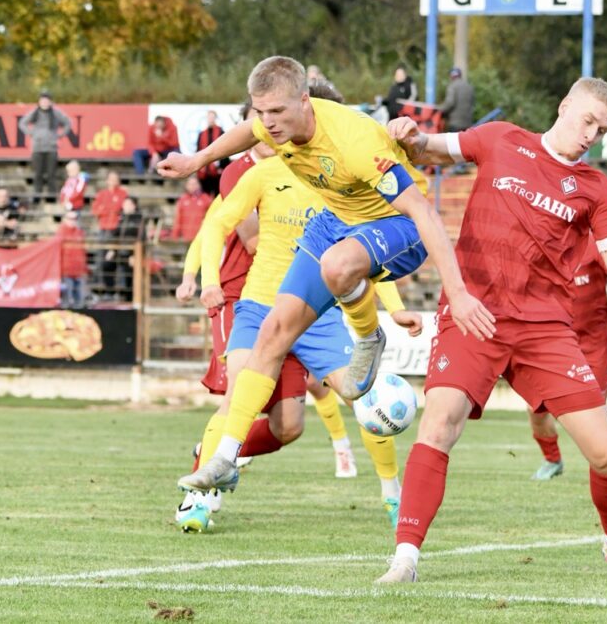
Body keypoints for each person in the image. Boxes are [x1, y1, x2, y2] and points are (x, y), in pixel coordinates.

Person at [377, 77, 607, 584]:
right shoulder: (500, 138)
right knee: (438, 424)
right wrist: (408, 133)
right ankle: (405, 559)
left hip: (544, 327)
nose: (592, 134)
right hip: (473, 312)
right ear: (564, 105)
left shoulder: (594, 188)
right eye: (587, 120)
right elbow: (429, 150)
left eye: (602, 129)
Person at [157, 55, 492, 495]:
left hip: (397, 226)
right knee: (273, 332)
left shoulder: (353, 140)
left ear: (304, 101)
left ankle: (370, 336)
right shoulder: (271, 126)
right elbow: (245, 133)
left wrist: (459, 293)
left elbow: (424, 214)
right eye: (261, 111)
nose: (268, 123)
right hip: (336, 222)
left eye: (277, 112)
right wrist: (196, 160)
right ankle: (225, 458)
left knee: (337, 264)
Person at [175, 87, 423, 530]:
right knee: (236, 400)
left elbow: (364, 255)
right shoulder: (264, 173)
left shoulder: (346, 175)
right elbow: (216, 223)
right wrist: (204, 279)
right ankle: (201, 493)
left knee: (321, 412)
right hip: (260, 304)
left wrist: (396, 306)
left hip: (320, 314)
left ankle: (392, 493)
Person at [530, 235, 607, 481]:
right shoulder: (543, 241)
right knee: (536, 410)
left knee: (595, 410)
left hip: (594, 341)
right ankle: (552, 460)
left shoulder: (594, 245)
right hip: (553, 339)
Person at [18, 91, 72, 201]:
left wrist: (60, 135)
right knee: (38, 174)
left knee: (51, 174)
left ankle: (51, 197)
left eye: (47, 100)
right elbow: (22, 123)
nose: (44, 103)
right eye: (42, 100)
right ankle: (37, 196)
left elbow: (68, 123)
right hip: (37, 148)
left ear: (50, 102)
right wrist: (31, 133)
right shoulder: (34, 113)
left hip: (51, 148)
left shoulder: (56, 113)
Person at [91, 172, 128, 298]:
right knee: (102, 260)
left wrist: (107, 209)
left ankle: (122, 291)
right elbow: (95, 210)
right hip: (104, 230)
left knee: (120, 260)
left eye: (115, 179)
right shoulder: (102, 194)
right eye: (111, 179)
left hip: (117, 231)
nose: (113, 181)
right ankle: (106, 290)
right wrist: (110, 209)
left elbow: (123, 209)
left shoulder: (123, 194)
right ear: (107, 181)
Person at [103, 196, 143, 296]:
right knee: (106, 265)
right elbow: (115, 234)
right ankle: (110, 292)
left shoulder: (139, 220)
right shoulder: (121, 219)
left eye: (128, 204)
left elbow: (141, 238)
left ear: (134, 206)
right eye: (124, 204)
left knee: (129, 271)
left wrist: (134, 255)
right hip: (119, 252)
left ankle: (129, 296)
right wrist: (112, 249)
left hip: (131, 253)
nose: (125, 206)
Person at [57, 210, 88, 308]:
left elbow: (83, 251)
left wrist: (84, 268)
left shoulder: (80, 233)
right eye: (70, 218)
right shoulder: (60, 233)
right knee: (66, 299)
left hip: (78, 271)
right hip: (66, 271)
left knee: (79, 301)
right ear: (65, 219)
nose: (73, 221)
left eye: (75, 219)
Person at [195, 110, 229, 196]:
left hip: (217, 171)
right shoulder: (202, 134)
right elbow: (198, 151)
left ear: (215, 118)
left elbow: (226, 150)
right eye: (209, 117)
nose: (210, 119)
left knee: (218, 195)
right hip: (205, 171)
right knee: (205, 195)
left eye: (212, 117)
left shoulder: (221, 132)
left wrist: (222, 166)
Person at [169, 176, 213, 242]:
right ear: (186, 186)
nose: (192, 186)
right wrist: (174, 236)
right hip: (185, 238)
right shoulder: (182, 199)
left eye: (194, 184)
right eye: (190, 184)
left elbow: (212, 216)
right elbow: (178, 219)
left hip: (201, 238)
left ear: (199, 185)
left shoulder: (206, 199)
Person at [439, 67, 475, 133]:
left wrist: (439, 110)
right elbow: (472, 104)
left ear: (451, 76)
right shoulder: (469, 86)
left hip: (455, 124)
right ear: (460, 75)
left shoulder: (452, 86)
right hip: (468, 124)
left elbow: (449, 103)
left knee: (454, 142)